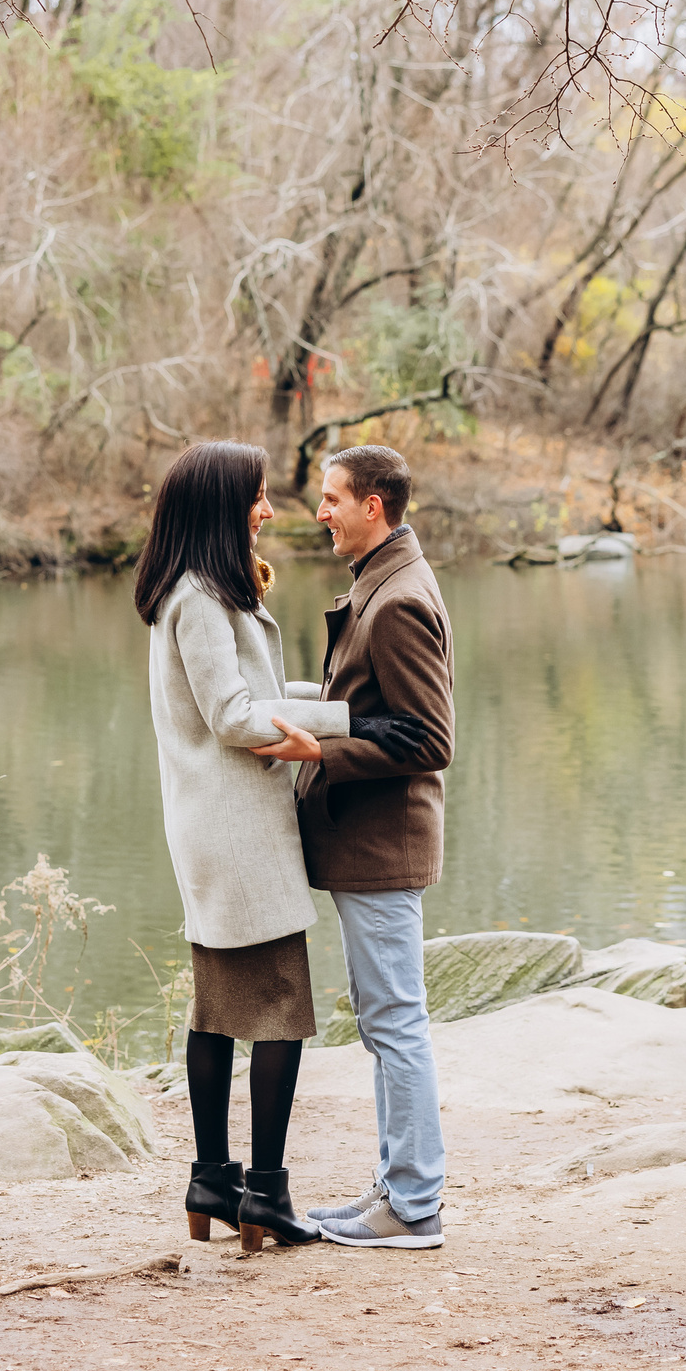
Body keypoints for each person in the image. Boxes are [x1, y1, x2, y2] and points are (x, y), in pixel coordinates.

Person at [133, 439, 412, 1251]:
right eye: (255, 497)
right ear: (221, 505)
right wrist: (349, 725)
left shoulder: (201, 591)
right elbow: (234, 718)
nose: (267, 509)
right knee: (282, 1013)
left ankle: (212, 1181)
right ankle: (265, 1193)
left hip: (218, 826)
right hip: (237, 830)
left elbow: (252, 695)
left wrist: (337, 705)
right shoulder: (197, 599)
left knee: (218, 1009)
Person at [249, 444, 454, 1249]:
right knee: (384, 1022)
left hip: (382, 847)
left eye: (333, 499)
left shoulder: (399, 598)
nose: (321, 512)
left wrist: (319, 753)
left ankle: (413, 1207)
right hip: (367, 845)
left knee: (396, 1024)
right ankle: (396, 1189)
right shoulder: (383, 579)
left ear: (374, 505)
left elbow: (428, 739)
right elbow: (365, 704)